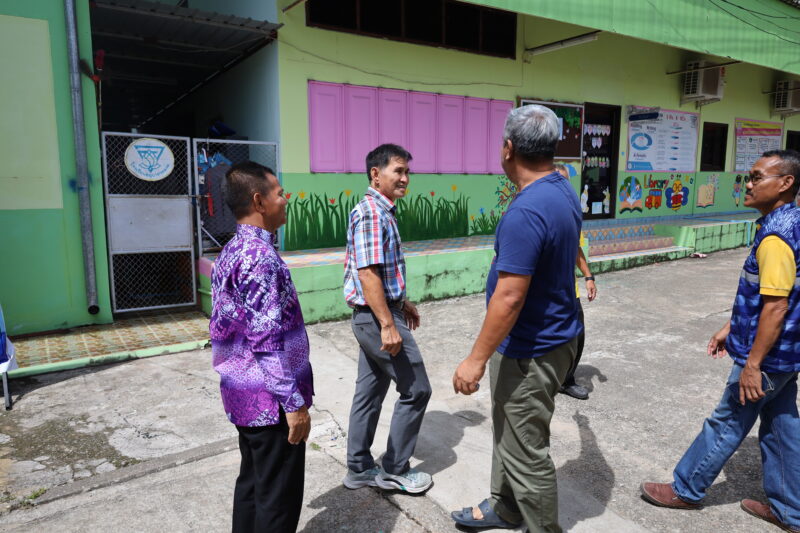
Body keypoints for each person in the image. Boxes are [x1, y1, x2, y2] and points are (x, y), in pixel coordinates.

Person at [641, 150, 800, 532]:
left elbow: (776, 306)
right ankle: (791, 510)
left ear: (785, 183)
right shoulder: (791, 222)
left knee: (728, 420)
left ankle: (686, 488)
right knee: (782, 427)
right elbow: (768, 294)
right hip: (787, 353)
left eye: (757, 177)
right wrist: (731, 328)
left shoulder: (776, 236)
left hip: (768, 357)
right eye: (749, 176)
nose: (748, 184)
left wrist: (752, 364)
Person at [451, 105, 583, 533]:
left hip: (532, 348)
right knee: (510, 429)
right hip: (553, 337)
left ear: (508, 149)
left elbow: (509, 298)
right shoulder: (561, 187)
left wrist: (474, 360)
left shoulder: (528, 211)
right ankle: (505, 507)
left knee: (525, 450)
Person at [209, 161, 313, 533]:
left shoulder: (231, 250)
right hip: (270, 403)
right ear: (259, 201)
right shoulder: (259, 258)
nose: (286, 199)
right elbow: (266, 343)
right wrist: (293, 404)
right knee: (277, 501)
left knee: (254, 488)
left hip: (245, 395)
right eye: (280, 193)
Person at [342, 143, 433, 494]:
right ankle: (395, 470)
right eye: (398, 171)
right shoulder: (371, 213)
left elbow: (379, 271)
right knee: (417, 389)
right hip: (375, 318)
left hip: (375, 313)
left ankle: (359, 468)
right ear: (375, 174)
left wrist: (401, 303)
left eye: (407, 172)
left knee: (369, 393)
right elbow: (367, 274)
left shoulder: (382, 211)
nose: (405, 178)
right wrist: (388, 323)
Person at [554, 163, 598, 400]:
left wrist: (588, 276)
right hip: (546, 291)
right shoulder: (538, 210)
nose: (562, 186)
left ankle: (565, 379)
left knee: (577, 334)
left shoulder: (570, 213)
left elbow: (575, 249)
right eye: (557, 180)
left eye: (565, 181)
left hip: (570, 290)